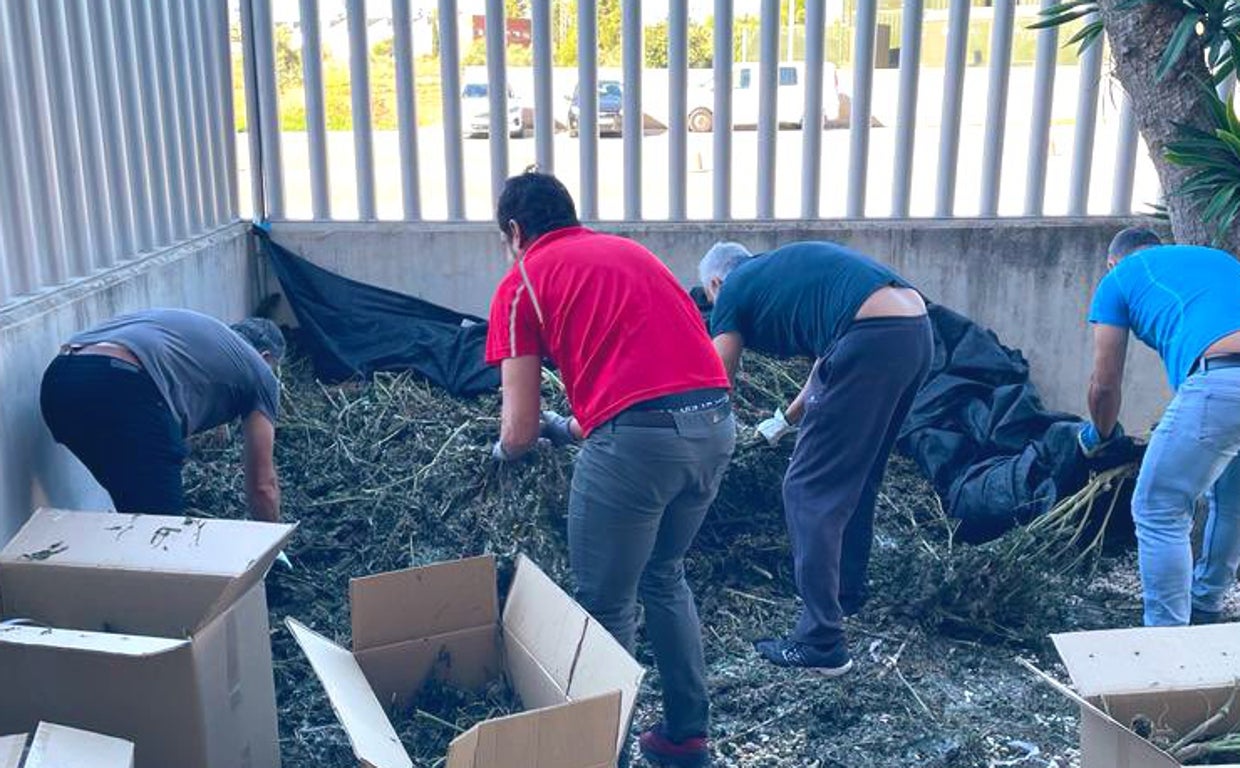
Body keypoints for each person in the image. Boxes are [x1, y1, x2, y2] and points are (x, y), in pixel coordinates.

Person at [485, 170, 734, 768]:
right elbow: (656, 371)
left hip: (636, 450)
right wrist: (572, 428)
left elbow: (517, 431)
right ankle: (685, 736)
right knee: (664, 575)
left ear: (515, 231)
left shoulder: (521, 282)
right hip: (714, 425)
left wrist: (499, 456)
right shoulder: (629, 252)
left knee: (605, 604)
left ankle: (603, 755)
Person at [698, 240, 931, 675]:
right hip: (914, 333)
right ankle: (845, 593)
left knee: (807, 489)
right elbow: (828, 361)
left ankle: (821, 640)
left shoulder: (732, 289)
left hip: (872, 340)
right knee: (859, 476)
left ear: (714, 282)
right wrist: (785, 420)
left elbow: (718, 377)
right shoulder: (787, 275)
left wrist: (703, 440)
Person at [1081, 227, 1240, 627]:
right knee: (1233, 503)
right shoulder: (1217, 259)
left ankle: (1166, 641)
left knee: (1159, 506)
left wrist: (1101, 436)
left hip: (1223, 379)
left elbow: (1104, 385)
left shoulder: (1118, 278)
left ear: (1112, 261)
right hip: (1223, 382)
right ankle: (1206, 605)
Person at [40, 309, 284, 522]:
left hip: (60, 380)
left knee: (137, 511)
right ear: (265, 358)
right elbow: (262, 486)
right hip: (122, 386)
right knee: (161, 533)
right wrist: (273, 549)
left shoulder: (207, 336)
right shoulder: (260, 373)